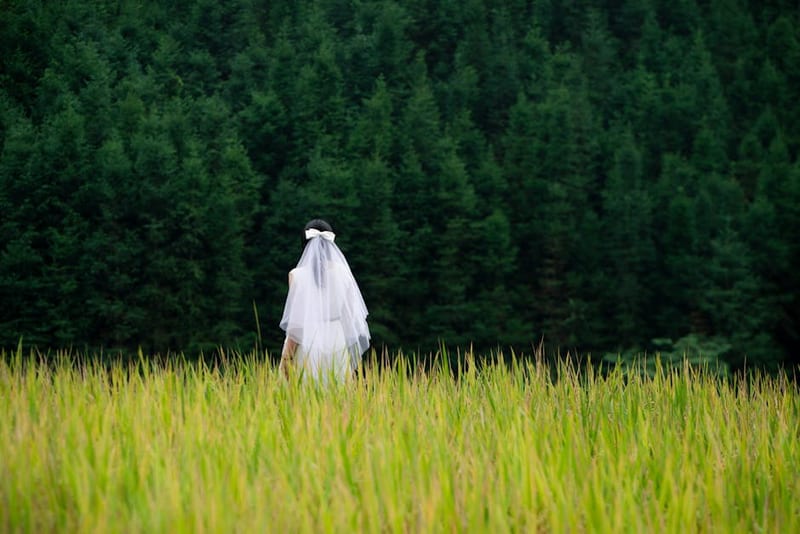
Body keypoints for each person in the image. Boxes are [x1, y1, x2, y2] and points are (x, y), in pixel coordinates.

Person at [278, 219, 370, 383]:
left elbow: (296, 324)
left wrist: (286, 359)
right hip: (337, 341)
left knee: (308, 398)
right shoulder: (344, 273)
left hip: (308, 341)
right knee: (339, 397)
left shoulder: (296, 276)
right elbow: (350, 319)